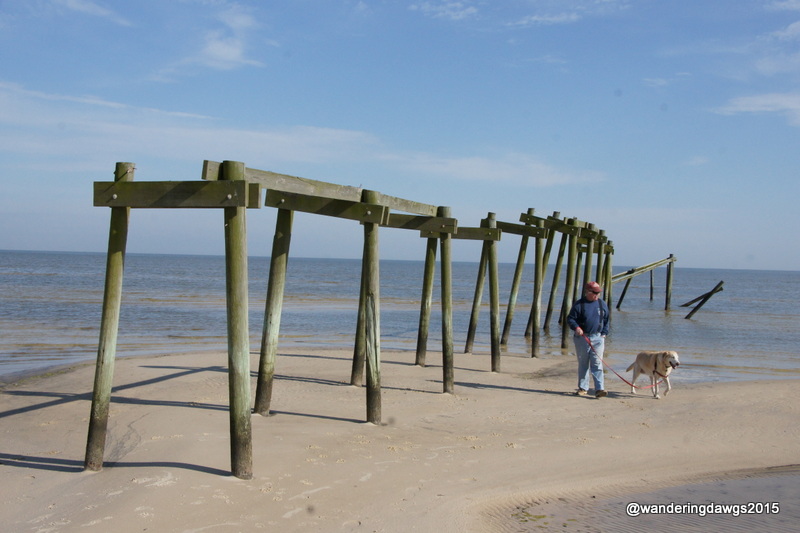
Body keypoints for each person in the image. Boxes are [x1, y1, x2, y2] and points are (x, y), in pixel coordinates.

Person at [567, 281, 610, 398]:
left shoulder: (602, 304)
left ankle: (599, 389)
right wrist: (576, 327)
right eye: (595, 292)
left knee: (597, 363)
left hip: (598, 338)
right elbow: (570, 319)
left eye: (598, 293)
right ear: (587, 292)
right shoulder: (579, 304)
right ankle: (583, 388)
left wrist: (604, 333)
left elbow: (606, 320)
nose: (597, 295)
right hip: (582, 338)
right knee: (583, 363)